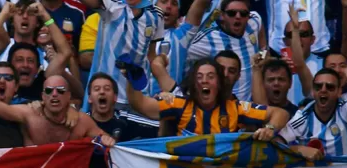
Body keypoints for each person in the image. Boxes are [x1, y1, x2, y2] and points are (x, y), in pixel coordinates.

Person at [125, 59, 288, 138]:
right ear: (193, 83)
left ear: (219, 83)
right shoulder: (179, 104)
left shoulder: (235, 108)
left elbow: (281, 113)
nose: (204, 81)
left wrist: (270, 129)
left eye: (211, 76)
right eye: (199, 76)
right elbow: (140, 104)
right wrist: (132, 81)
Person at [0, 74, 114, 146]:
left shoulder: (82, 120)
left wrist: (106, 139)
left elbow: (105, 138)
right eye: (49, 90)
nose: (54, 94)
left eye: (60, 90)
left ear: (68, 96)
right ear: (43, 96)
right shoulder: (30, 113)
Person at [85, 0, 164, 108]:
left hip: (139, 97)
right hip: (110, 96)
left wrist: (160, 89)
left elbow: (151, 56)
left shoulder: (156, 14)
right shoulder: (112, 5)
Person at [277, 68, 347, 159]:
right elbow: (277, 143)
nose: (323, 90)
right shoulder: (303, 117)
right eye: (318, 86)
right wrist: (299, 149)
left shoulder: (345, 110)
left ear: (339, 92)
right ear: (313, 92)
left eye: (330, 87)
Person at [186, 0, 265, 102]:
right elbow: (183, 58)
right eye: (232, 13)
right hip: (222, 105)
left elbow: (263, 42)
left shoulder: (254, 21)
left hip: (250, 105)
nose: (238, 16)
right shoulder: (207, 38)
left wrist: (263, 53)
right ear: (222, 15)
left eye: (243, 13)